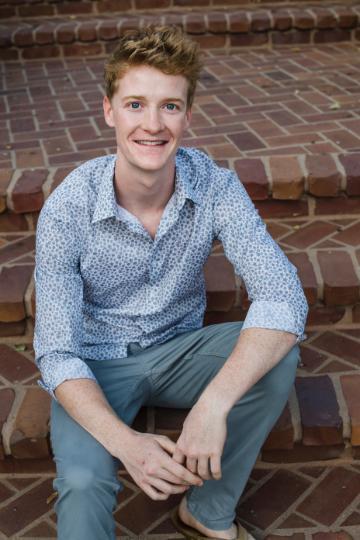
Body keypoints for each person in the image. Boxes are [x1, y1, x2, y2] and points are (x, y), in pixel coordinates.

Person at [34, 25, 308, 540]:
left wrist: (213, 405)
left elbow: (283, 298)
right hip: (95, 359)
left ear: (188, 115)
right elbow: (56, 352)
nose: (153, 125)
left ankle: (206, 511)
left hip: (179, 347)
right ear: (109, 111)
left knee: (279, 354)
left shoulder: (216, 186)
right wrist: (127, 444)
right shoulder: (68, 208)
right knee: (82, 478)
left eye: (170, 106)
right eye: (135, 104)